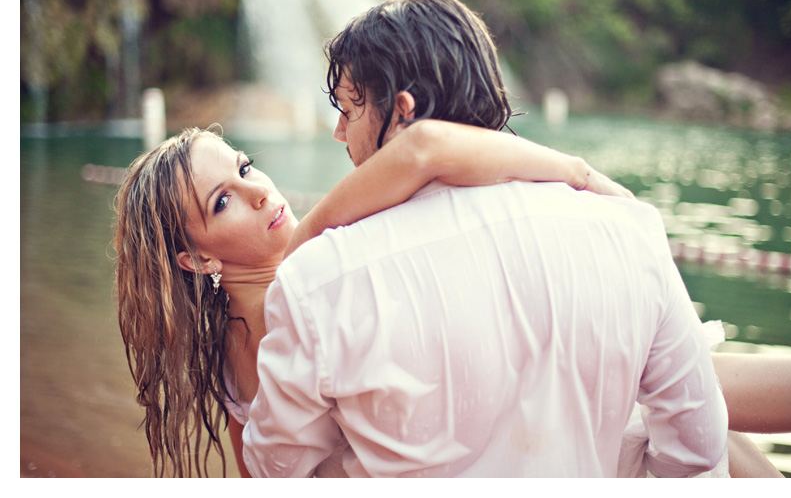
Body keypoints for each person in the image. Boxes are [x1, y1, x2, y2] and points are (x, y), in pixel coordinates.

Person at [238, 0, 726, 477]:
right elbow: (698, 447)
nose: (340, 132)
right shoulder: (627, 230)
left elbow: (277, 469)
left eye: (348, 109)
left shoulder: (320, 280)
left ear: (403, 111)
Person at [113, 120, 631, 477]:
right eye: (223, 201)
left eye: (245, 168)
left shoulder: (227, 343)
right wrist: (580, 175)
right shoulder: (307, 279)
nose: (261, 193)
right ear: (197, 261)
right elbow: (423, 147)